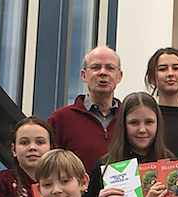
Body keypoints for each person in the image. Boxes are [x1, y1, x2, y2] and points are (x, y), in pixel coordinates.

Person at [85, 92, 175, 197]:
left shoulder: (170, 163)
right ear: (123, 125)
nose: (142, 129)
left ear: (158, 123)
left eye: (149, 122)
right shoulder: (105, 165)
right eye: (134, 123)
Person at [48, 46, 123, 176]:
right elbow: (48, 167)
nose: (103, 72)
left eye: (110, 68)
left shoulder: (129, 119)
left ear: (119, 76)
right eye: (95, 67)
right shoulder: (61, 119)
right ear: (84, 75)